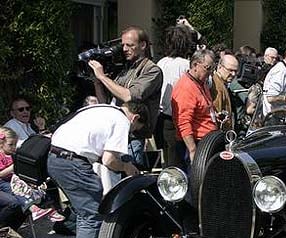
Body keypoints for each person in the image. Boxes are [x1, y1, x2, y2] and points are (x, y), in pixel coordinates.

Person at [47, 102, 144, 238]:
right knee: (93, 214)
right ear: (135, 118)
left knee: (86, 210)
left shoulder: (101, 108)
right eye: (135, 130)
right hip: (73, 163)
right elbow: (108, 160)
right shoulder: (122, 121)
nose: (131, 134)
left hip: (54, 158)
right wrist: (126, 167)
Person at [90, 26, 163, 166]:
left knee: (130, 179)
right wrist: (97, 82)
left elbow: (130, 97)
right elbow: (105, 102)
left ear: (143, 45)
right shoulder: (127, 69)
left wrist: (103, 77)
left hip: (133, 137)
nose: (124, 49)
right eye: (123, 45)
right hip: (116, 134)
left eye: (130, 45)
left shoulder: (152, 70)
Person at [156, 24, 194, 169]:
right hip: (181, 118)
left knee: (169, 159)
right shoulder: (186, 65)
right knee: (180, 161)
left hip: (164, 118)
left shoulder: (161, 63)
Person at [171, 49, 218, 165]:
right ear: (195, 65)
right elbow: (183, 122)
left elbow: (203, 109)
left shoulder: (202, 83)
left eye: (212, 68)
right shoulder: (186, 88)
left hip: (207, 142)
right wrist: (192, 150)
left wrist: (216, 116)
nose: (210, 73)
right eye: (207, 68)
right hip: (196, 145)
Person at [211, 54, 240, 131]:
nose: (233, 74)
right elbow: (218, 116)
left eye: (235, 71)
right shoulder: (217, 86)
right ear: (220, 67)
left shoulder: (222, 83)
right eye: (230, 70)